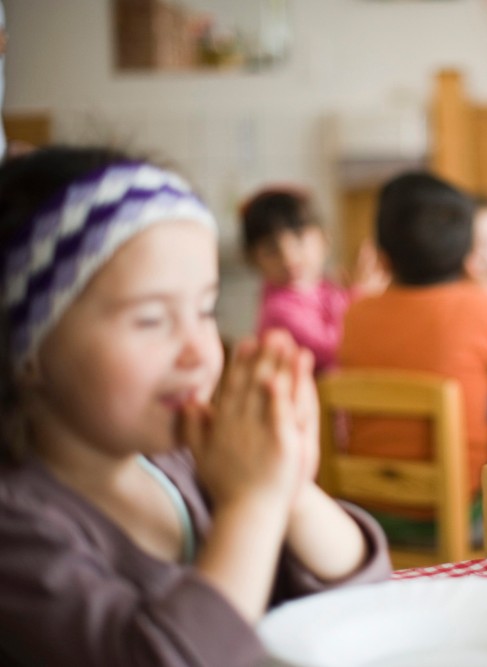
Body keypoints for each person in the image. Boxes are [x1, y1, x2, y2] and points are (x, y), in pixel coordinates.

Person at [0, 146, 391, 667]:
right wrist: (251, 505)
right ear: (27, 353)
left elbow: (356, 594)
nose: (199, 351)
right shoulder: (18, 527)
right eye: (152, 320)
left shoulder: (187, 461)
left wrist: (289, 488)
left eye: (206, 310)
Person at [339, 171, 487, 544]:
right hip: (455, 514)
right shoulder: (482, 307)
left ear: (383, 257)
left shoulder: (356, 314)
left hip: (368, 511)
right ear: (470, 252)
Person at [240, 187, 385, 375]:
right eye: (271, 248)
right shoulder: (278, 310)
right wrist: (359, 296)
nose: (288, 256)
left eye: (299, 238)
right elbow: (335, 350)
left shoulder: (328, 288)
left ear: (324, 240)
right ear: (253, 259)